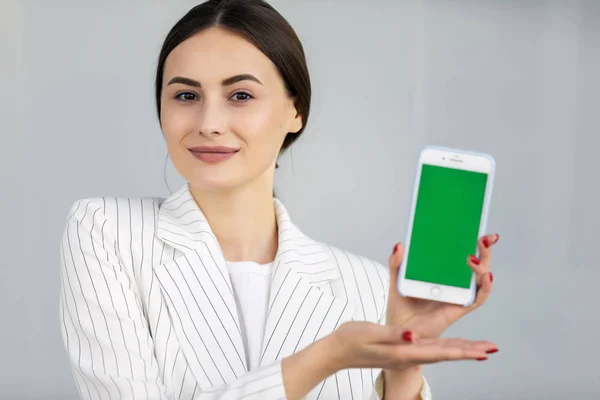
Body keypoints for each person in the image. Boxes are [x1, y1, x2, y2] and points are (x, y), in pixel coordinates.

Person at [58, 1, 499, 399]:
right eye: (186, 95)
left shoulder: (367, 286)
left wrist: (404, 367)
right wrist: (326, 357)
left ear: (296, 111)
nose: (209, 122)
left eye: (241, 96)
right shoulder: (107, 232)